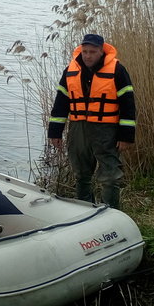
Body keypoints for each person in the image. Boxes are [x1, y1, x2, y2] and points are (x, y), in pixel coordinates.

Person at [47, 34, 136, 209]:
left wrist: (126, 136)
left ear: (101, 51)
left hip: (107, 129)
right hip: (78, 128)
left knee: (110, 176)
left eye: (93, 52)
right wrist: (55, 131)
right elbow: (61, 103)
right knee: (81, 174)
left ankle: (111, 214)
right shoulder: (70, 70)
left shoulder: (117, 70)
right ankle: (85, 212)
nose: (88, 55)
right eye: (85, 51)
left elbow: (128, 104)